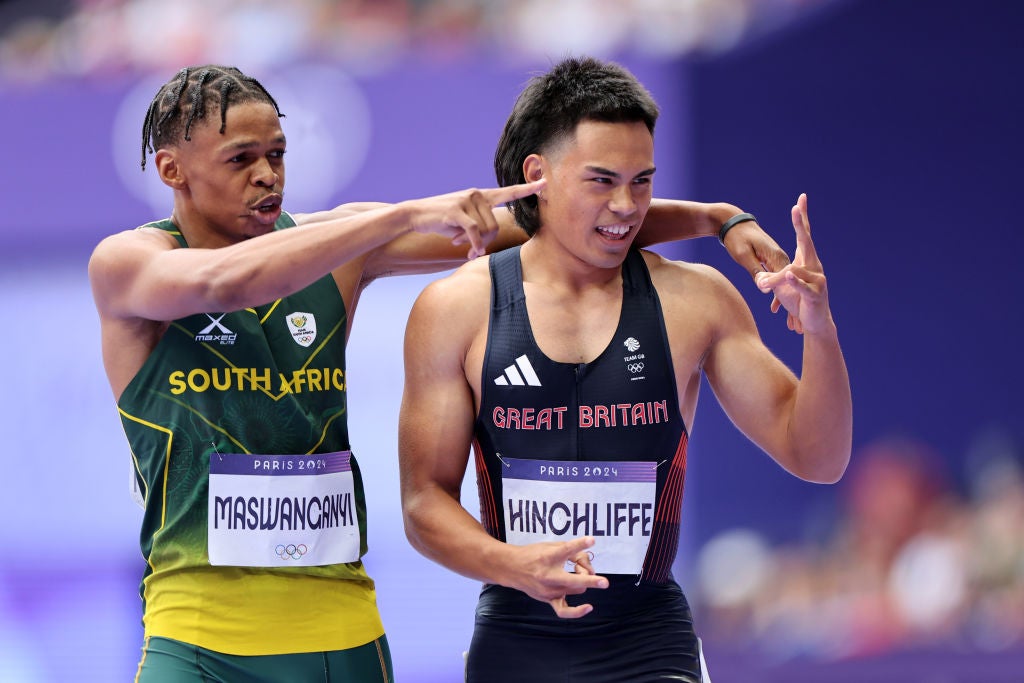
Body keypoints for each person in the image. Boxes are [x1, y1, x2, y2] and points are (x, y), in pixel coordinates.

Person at [88, 64, 787, 682]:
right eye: (241, 158)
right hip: (197, 631)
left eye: (277, 153)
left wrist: (715, 218)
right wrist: (398, 216)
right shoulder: (127, 264)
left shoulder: (336, 245)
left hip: (342, 632)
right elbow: (219, 284)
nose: (268, 174)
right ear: (171, 169)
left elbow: (569, 219)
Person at [397, 56, 853, 682]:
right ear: (539, 175)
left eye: (643, 182)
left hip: (650, 641)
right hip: (517, 634)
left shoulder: (696, 299)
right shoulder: (458, 308)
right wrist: (513, 565)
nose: (627, 206)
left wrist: (821, 330)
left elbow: (818, 458)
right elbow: (425, 503)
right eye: (602, 180)